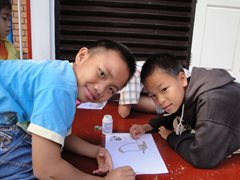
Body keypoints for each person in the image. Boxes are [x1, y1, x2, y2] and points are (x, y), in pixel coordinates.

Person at [0, 39, 136, 179]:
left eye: (111, 89)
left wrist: (96, 151)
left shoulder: (62, 73)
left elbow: (58, 134)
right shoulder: (60, 87)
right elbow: (46, 170)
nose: (100, 90)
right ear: (82, 56)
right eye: (101, 73)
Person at [129, 53, 240, 169]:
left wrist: (171, 137)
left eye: (164, 89)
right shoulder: (190, 89)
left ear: (182, 79)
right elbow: (180, 114)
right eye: (153, 95)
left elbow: (203, 157)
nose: (160, 101)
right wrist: (149, 126)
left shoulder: (211, 102)